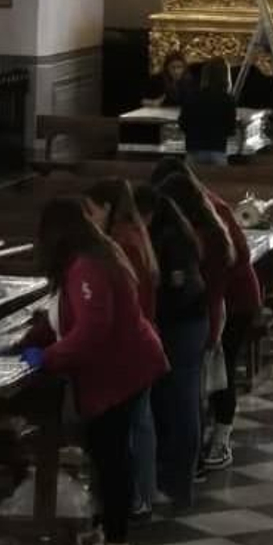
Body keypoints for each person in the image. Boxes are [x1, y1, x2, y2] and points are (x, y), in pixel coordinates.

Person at [18, 198, 167, 545]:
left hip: (121, 371)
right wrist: (29, 341)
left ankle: (116, 542)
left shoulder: (87, 266)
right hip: (120, 367)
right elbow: (64, 314)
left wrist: (48, 357)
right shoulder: (93, 255)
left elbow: (92, 329)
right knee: (107, 453)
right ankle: (105, 531)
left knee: (111, 457)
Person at [155, 160, 261, 473]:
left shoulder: (212, 214)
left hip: (235, 301)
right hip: (213, 303)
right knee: (204, 377)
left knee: (220, 369)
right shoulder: (187, 214)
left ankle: (220, 440)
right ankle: (200, 443)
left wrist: (212, 330)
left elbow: (232, 264)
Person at [86, 180, 161, 520]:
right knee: (139, 423)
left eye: (91, 210)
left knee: (131, 428)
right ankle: (141, 495)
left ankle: (136, 498)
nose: (89, 218)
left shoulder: (121, 242)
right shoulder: (134, 234)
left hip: (131, 345)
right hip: (141, 340)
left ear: (106, 208)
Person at [132, 185, 208, 508]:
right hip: (184, 324)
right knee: (175, 402)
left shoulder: (171, 239)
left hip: (183, 327)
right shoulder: (173, 231)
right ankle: (174, 479)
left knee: (182, 403)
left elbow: (178, 291)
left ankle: (179, 484)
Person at [177, 58, 237, 167]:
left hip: (194, 149)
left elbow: (182, 123)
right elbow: (231, 128)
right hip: (217, 149)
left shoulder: (192, 96)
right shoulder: (228, 100)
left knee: (192, 177)